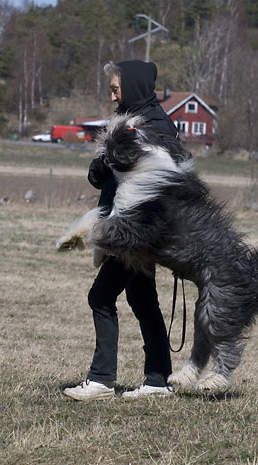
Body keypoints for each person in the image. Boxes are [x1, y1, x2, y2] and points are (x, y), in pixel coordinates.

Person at [63, 60, 179, 401]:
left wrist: (108, 160)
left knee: (100, 296)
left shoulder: (156, 126)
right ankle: (158, 381)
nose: (112, 96)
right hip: (126, 226)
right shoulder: (129, 120)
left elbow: (154, 175)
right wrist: (104, 164)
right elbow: (108, 170)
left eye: (115, 89)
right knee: (142, 299)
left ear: (132, 86)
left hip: (136, 230)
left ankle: (101, 380)